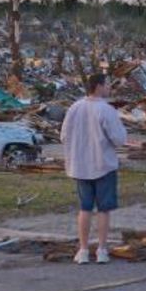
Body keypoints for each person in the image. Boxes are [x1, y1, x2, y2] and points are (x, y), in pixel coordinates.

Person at [60, 72, 127, 264]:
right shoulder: (106, 110)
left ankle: (82, 250)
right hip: (103, 164)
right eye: (107, 84)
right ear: (98, 86)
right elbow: (119, 139)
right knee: (104, 209)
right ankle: (102, 249)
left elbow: (63, 136)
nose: (109, 88)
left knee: (85, 208)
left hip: (80, 166)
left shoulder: (74, 108)